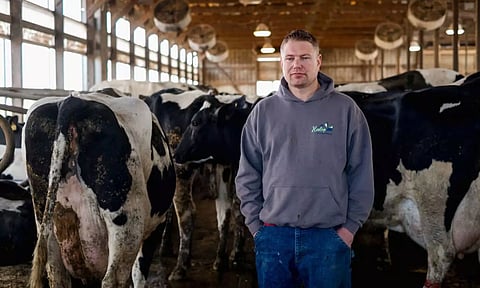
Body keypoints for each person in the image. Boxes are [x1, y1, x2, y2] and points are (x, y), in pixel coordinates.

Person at [235, 29, 375, 288]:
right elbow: (247, 173)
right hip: (273, 236)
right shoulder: (262, 113)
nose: (296, 64)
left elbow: (361, 173)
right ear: (281, 63)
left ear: (318, 61)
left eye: (304, 57)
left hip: (329, 237)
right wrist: (257, 228)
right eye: (289, 58)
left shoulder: (345, 111)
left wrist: (349, 230)